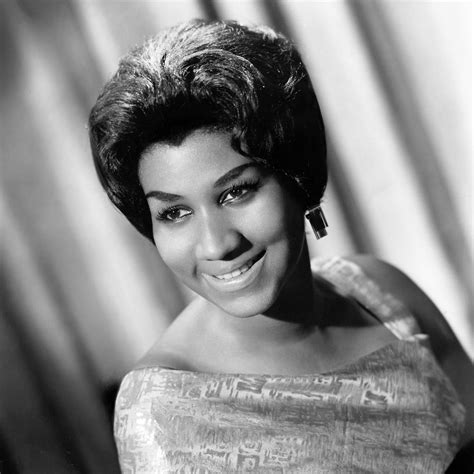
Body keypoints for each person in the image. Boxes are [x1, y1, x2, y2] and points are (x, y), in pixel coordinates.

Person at [88, 19, 473, 473]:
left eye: (237, 192)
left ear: (297, 177)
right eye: (174, 213)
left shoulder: (382, 294)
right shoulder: (163, 414)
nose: (217, 244)